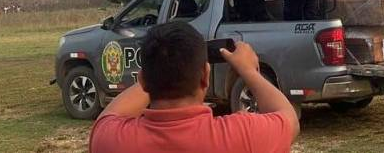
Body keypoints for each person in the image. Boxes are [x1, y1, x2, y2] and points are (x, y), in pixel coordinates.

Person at [89, 21, 299, 153]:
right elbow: (288, 117)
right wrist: (249, 71)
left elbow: (110, 115)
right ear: (205, 77)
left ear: (143, 80)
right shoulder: (244, 135)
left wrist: (160, 70)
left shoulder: (110, 140)